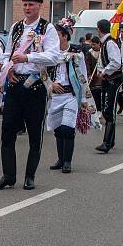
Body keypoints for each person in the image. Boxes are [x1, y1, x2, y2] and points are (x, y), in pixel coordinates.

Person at [0, 0, 59, 191]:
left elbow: (54, 56)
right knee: (7, 132)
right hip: (15, 85)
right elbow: (7, 52)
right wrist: (8, 68)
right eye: (25, 4)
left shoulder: (47, 28)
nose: (28, 8)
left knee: (34, 134)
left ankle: (30, 176)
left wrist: (28, 58)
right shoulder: (16, 27)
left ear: (39, 5)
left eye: (32, 4)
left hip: (35, 87)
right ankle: (8, 176)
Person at [47, 16, 92, 173]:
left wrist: (84, 98)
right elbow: (41, 72)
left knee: (67, 128)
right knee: (58, 129)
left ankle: (67, 161)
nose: (52, 38)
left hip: (71, 95)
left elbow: (83, 76)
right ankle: (60, 159)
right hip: (55, 95)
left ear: (65, 35)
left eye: (56, 34)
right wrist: (51, 85)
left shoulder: (76, 52)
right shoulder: (49, 53)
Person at [94, 19, 123, 153]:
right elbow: (102, 60)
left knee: (109, 110)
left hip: (114, 80)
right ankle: (110, 141)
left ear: (99, 29)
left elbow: (116, 62)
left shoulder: (110, 43)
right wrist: (101, 71)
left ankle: (107, 142)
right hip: (107, 80)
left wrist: (104, 71)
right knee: (107, 110)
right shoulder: (105, 43)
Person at [86, 36, 103, 111]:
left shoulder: (103, 52)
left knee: (100, 94)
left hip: (101, 77)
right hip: (93, 78)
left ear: (99, 44)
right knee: (94, 94)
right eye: (91, 44)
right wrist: (89, 74)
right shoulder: (89, 53)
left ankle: (100, 109)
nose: (93, 46)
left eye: (94, 45)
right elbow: (87, 65)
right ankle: (95, 109)